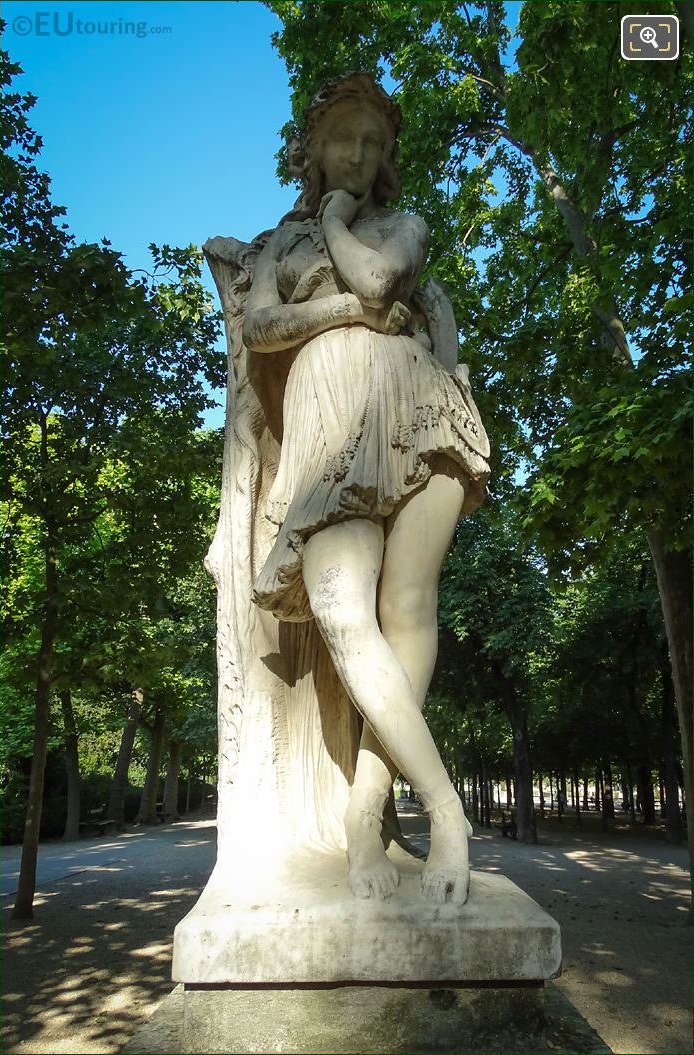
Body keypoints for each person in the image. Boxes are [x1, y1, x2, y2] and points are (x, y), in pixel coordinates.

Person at [242, 73, 490, 905]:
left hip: (421, 415)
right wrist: (338, 314)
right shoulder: (280, 245)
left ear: (385, 159)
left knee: (408, 609)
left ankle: (370, 819)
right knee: (344, 610)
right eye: (341, 138)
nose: (356, 153)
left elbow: (384, 281)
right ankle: (442, 803)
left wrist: (341, 225)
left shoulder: (400, 225)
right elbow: (260, 327)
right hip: (329, 428)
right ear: (312, 149)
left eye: (371, 143)